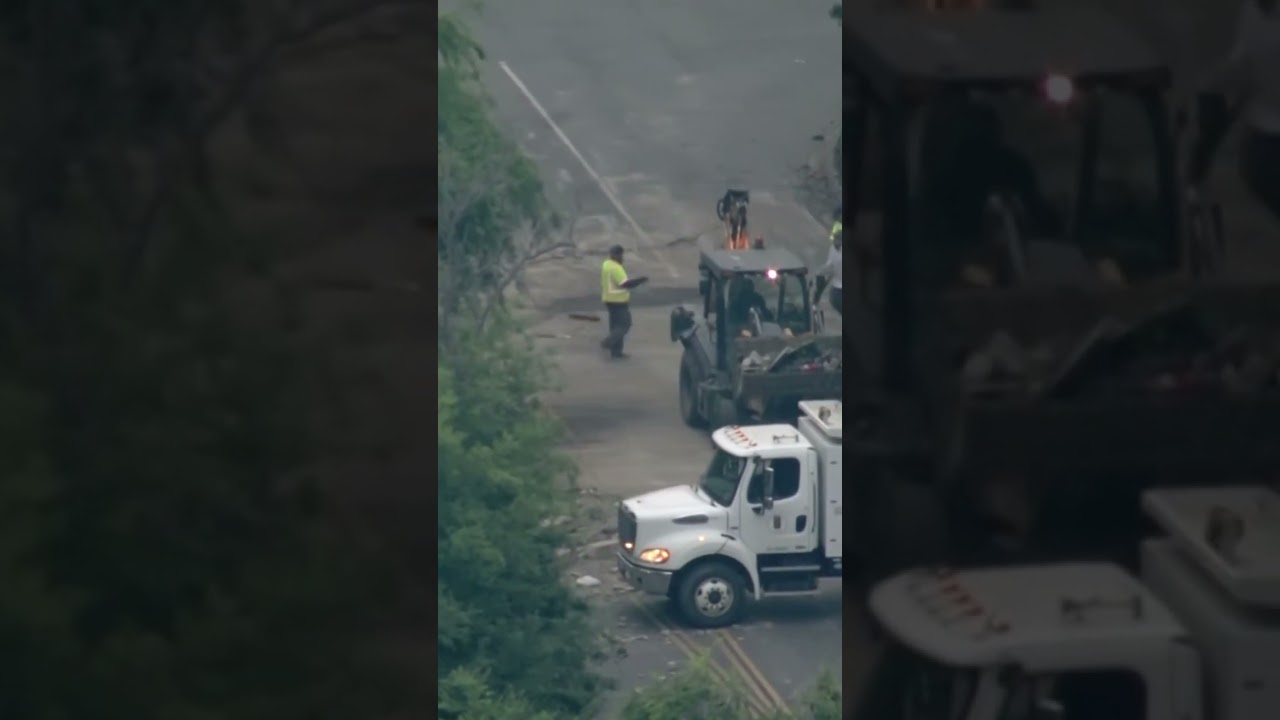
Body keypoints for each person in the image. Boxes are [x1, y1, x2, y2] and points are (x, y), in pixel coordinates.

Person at [1194, 0, 1280, 223]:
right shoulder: (1251, 11)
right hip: (1264, 122)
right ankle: (1194, 177)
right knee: (1257, 169)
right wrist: (1213, 83)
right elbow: (1244, 56)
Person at [600, 245, 637, 359]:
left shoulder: (606, 264)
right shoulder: (616, 268)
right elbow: (625, 284)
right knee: (625, 324)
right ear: (619, 254)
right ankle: (608, 342)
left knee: (615, 325)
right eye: (621, 255)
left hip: (609, 299)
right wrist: (640, 280)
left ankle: (616, 352)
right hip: (618, 301)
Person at [819, 230, 843, 318]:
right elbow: (830, 264)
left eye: (837, 241)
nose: (835, 242)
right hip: (837, 286)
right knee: (834, 300)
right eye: (834, 240)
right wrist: (823, 272)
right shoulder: (833, 248)